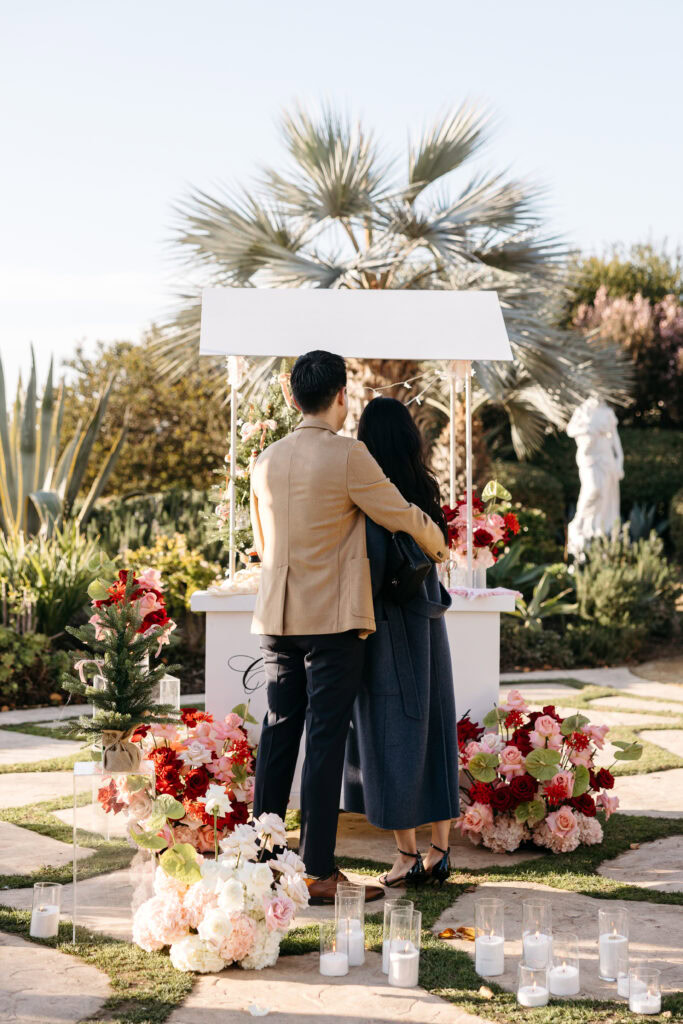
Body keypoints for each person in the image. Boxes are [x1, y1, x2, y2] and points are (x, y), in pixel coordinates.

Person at [249, 351, 447, 905]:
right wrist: (439, 543)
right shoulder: (349, 456)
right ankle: (316, 873)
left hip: (276, 617)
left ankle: (262, 860)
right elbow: (401, 514)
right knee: (326, 739)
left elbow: (264, 548)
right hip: (332, 621)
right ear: (342, 395)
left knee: (279, 730)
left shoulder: (263, 460)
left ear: (292, 398)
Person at [343, 396, 460, 887]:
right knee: (433, 725)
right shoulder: (424, 488)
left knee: (394, 732)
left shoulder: (372, 495)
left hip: (389, 627)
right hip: (428, 624)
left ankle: (406, 855)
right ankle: (441, 851)